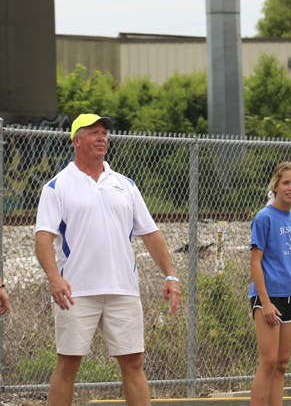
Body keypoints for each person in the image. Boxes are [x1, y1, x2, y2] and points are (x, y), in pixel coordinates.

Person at [34, 113, 181, 406]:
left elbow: (150, 233)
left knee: (134, 363)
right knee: (68, 365)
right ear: (76, 141)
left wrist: (170, 274)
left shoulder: (125, 185)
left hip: (122, 289)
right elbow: (43, 238)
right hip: (75, 292)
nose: (102, 138)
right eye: (94, 133)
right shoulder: (56, 186)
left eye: (104, 133)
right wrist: (54, 278)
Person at [249, 162, 291, 406]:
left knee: (282, 363)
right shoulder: (264, 218)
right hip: (268, 298)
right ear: (275, 186)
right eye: (286, 183)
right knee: (269, 361)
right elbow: (255, 262)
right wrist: (266, 302)